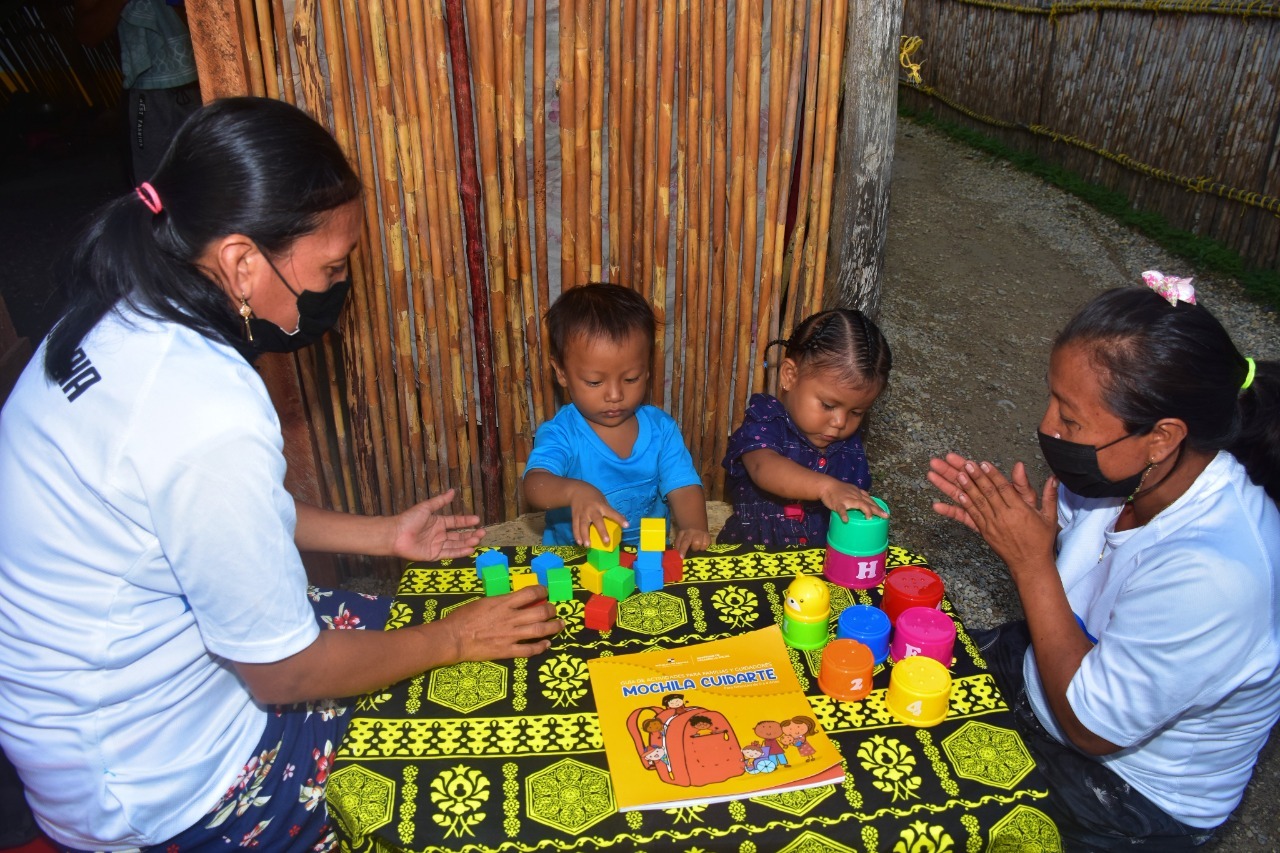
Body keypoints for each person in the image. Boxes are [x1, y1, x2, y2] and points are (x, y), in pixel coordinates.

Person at [0, 97, 562, 852]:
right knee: (444, 755)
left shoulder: (123, 303)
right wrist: (454, 639)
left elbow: (207, 518)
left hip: (84, 713)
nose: (338, 288)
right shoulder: (202, 405)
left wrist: (386, 534)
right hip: (156, 781)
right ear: (239, 260)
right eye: (331, 267)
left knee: (396, 623)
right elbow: (283, 673)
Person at [927, 278, 1280, 850]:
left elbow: (1092, 728)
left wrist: (1032, 563)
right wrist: (1031, 532)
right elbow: (1091, 562)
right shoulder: (1128, 473)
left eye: (1070, 419)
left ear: (1162, 438)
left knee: (926, 819)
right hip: (1055, 671)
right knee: (890, 681)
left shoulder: (1218, 574)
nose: (1047, 429)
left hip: (1128, 791)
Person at [522, 282, 711, 553]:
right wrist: (574, 492)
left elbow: (683, 487)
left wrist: (694, 527)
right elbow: (535, 484)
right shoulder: (562, 433)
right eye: (595, 382)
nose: (615, 395)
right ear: (561, 372)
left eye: (631, 378)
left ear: (647, 369)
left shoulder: (661, 430)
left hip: (648, 554)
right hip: (575, 555)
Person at [718, 308, 892, 545]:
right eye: (828, 405)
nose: (840, 422)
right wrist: (827, 488)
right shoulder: (766, 420)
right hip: (754, 558)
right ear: (790, 376)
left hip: (821, 562)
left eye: (856, 412)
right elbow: (763, 468)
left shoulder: (849, 446)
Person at [74, 0, 202, 185]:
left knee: (210, 174)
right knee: (153, 185)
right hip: (148, 94)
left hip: (202, 82)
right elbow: (87, 35)